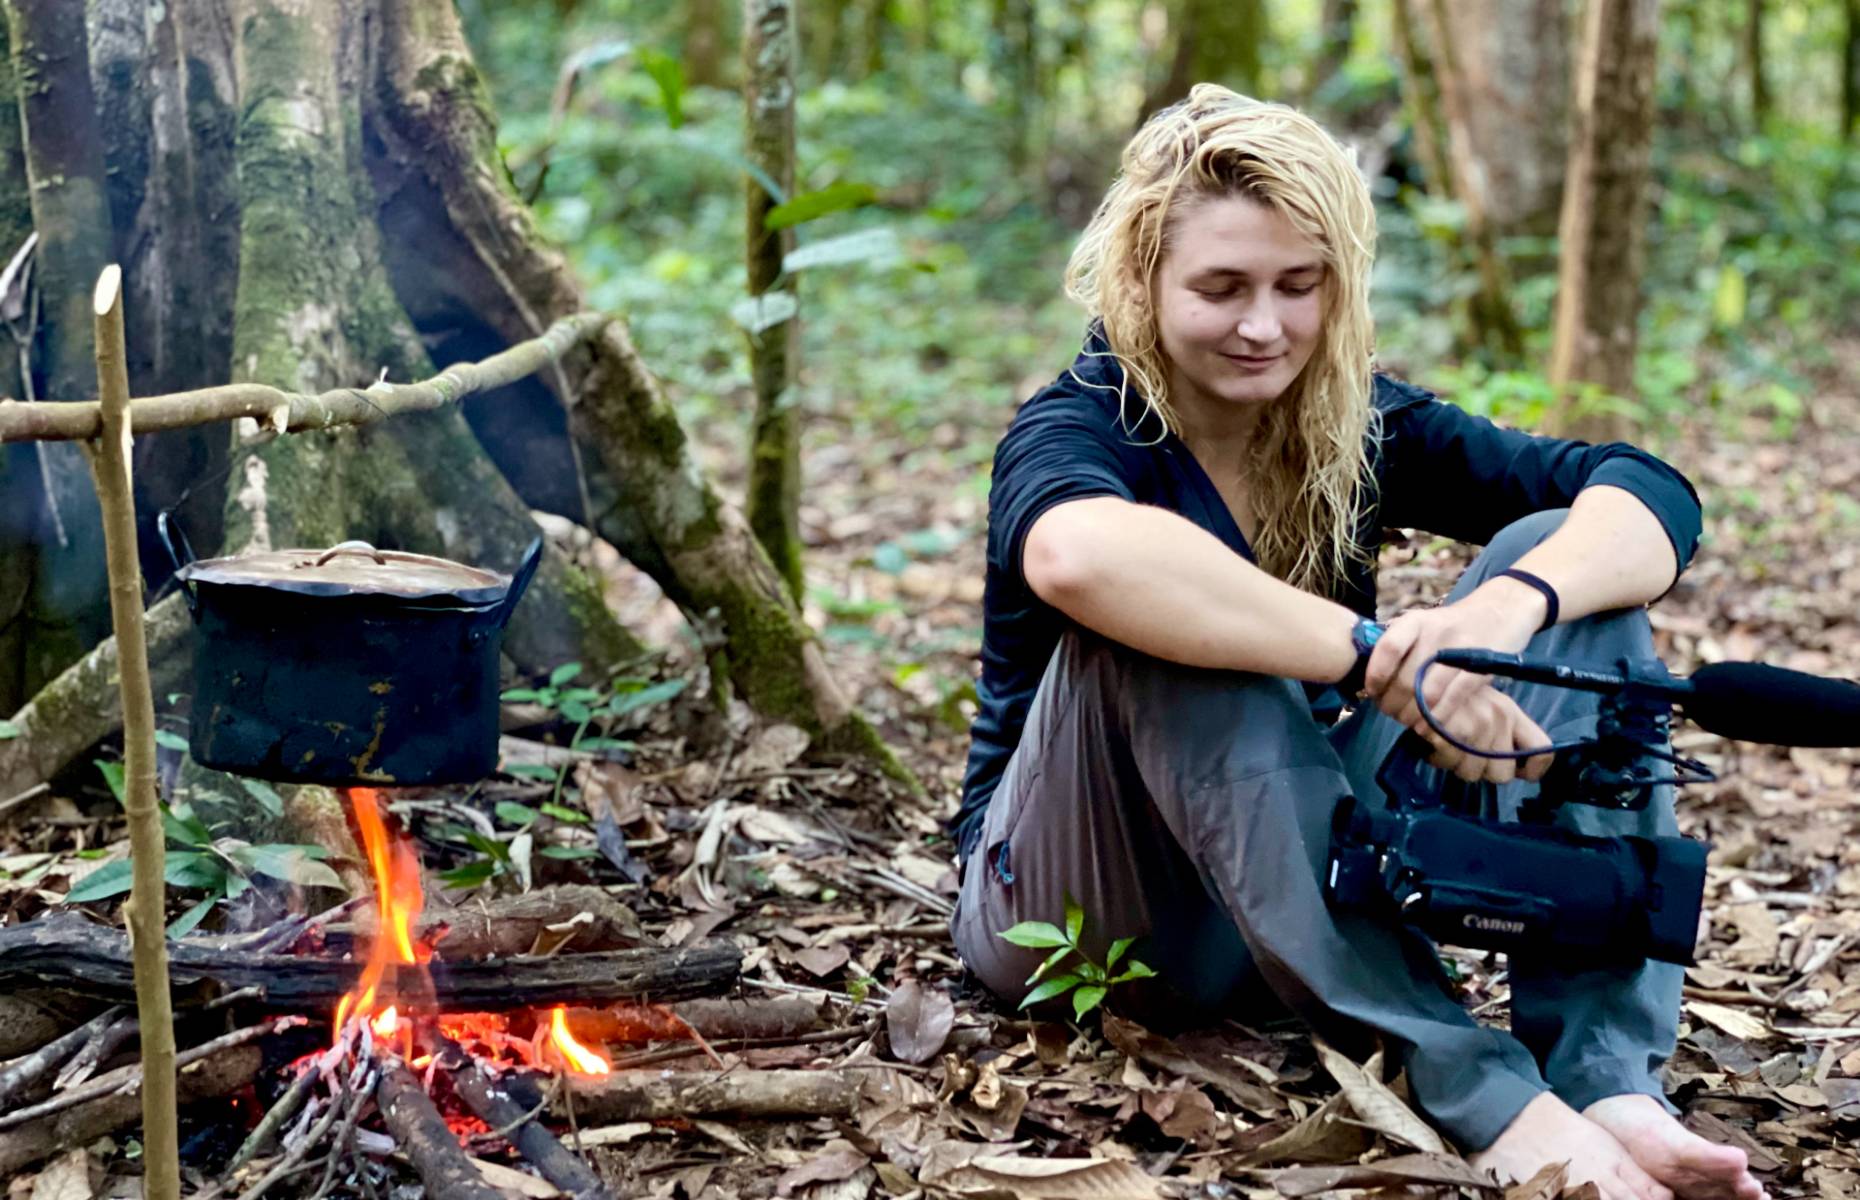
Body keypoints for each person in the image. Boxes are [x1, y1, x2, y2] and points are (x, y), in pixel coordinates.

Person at [946, 86, 1765, 1200]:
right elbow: (1077, 560)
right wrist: (1381, 654)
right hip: (1078, 911)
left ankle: (1604, 1072)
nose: (1264, 326)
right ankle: (1488, 1095)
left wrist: (1499, 613)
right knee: (1172, 610)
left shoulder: (1355, 422)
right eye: (1221, 288)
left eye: (1300, 285)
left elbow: (1645, 495)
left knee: (1570, 569)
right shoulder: (1082, 421)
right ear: (1141, 283)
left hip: (1283, 883)